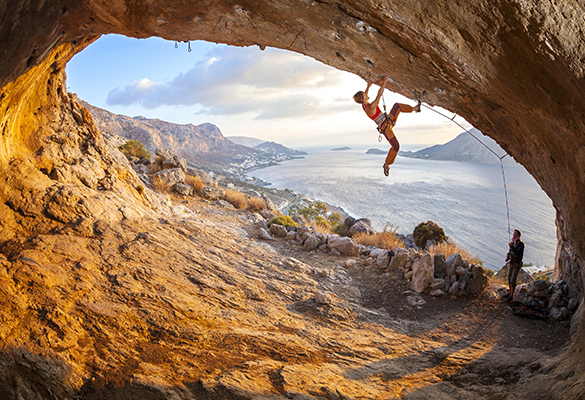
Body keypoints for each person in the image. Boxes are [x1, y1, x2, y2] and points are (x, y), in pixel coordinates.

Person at [353, 76, 421, 176]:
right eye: (364, 95)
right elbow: (379, 95)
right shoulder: (370, 107)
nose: (366, 94)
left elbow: (365, 94)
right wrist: (384, 81)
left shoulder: (364, 104)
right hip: (386, 127)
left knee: (397, 106)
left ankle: (415, 108)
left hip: (388, 120)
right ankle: (387, 164)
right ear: (363, 99)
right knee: (396, 146)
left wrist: (368, 86)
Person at [505, 229, 525, 301]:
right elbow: (509, 252)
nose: (514, 235)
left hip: (517, 264)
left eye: (515, 234)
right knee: (509, 278)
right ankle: (510, 293)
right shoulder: (513, 243)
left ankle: (512, 295)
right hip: (512, 262)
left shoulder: (520, 244)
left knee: (513, 279)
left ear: (519, 236)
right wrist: (507, 257)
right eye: (514, 233)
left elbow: (518, 253)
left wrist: (512, 247)